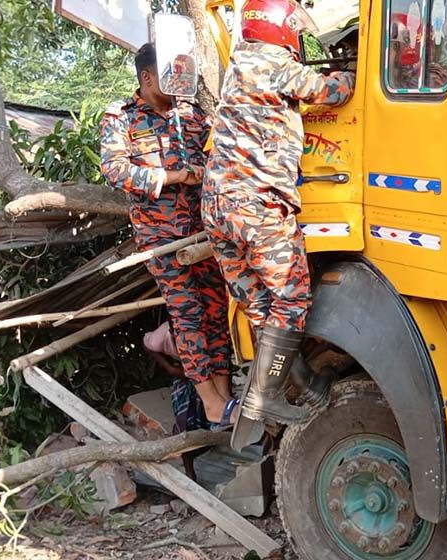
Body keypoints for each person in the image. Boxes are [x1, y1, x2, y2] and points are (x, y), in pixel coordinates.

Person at [202, 0, 355, 448]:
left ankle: (303, 384)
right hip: (257, 208)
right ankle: (264, 397)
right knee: (292, 298)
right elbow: (330, 91)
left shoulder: (239, 65)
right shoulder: (274, 64)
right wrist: (352, 73)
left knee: (257, 302)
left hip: (217, 209)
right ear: (283, 28)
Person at [100, 43, 238, 431]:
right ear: (146, 78)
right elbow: (115, 170)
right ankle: (211, 404)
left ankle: (225, 400)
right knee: (187, 315)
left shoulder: (191, 115)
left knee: (216, 311)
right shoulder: (121, 118)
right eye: (168, 75)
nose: (178, 83)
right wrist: (175, 177)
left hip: (204, 233)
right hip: (162, 239)